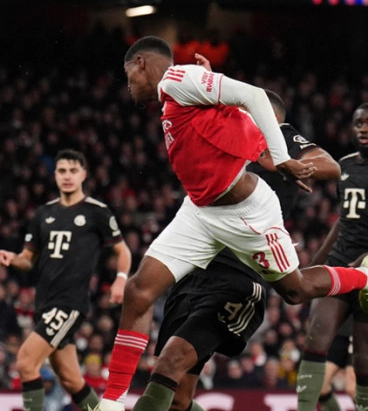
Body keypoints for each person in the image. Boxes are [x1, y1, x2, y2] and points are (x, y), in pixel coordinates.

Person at [97, 36, 368, 411]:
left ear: (141, 63)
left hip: (248, 217)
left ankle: (363, 277)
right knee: (139, 291)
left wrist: (283, 159)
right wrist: (213, 91)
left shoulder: (179, 79)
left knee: (296, 289)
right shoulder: (182, 97)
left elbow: (255, 98)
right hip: (199, 212)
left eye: (128, 77)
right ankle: (111, 401)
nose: (128, 88)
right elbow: (228, 108)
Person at [151, 64, 341, 411]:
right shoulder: (228, 130)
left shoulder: (280, 137)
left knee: (169, 367)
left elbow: (330, 165)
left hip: (240, 271)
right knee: (177, 397)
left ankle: (359, 278)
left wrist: (291, 163)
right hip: (196, 264)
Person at [0, 149, 132, 411]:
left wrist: (121, 279)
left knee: (25, 362)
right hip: (44, 303)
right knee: (71, 380)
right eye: (62, 171)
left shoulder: (97, 212)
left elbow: (122, 250)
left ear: (83, 175)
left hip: (69, 303)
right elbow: (28, 259)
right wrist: (13, 259)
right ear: (55, 175)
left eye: (73, 171)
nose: (67, 176)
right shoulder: (43, 213)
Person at [296, 103, 368, 411]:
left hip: (367, 273)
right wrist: (318, 260)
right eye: (358, 123)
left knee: (363, 359)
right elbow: (342, 220)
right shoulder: (344, 166)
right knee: (315, 337)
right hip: (339, 263)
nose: (363, 128)